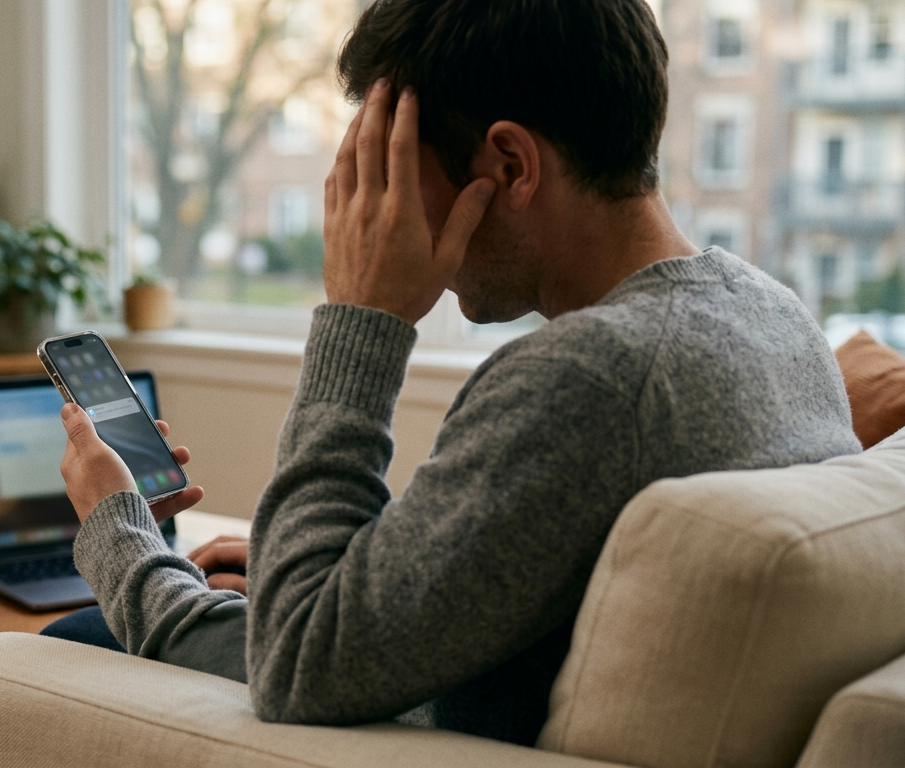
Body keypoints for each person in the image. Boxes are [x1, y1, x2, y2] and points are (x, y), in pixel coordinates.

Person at [48, 0, 862, 747]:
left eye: (391, 171)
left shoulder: (588, 378)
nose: (371, 211)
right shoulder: (773, 315)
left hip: (404, 721)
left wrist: (119, 528)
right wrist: (329, 566)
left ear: (509, 165)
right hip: (426, 667)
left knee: (72, 639)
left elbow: (298, 667)